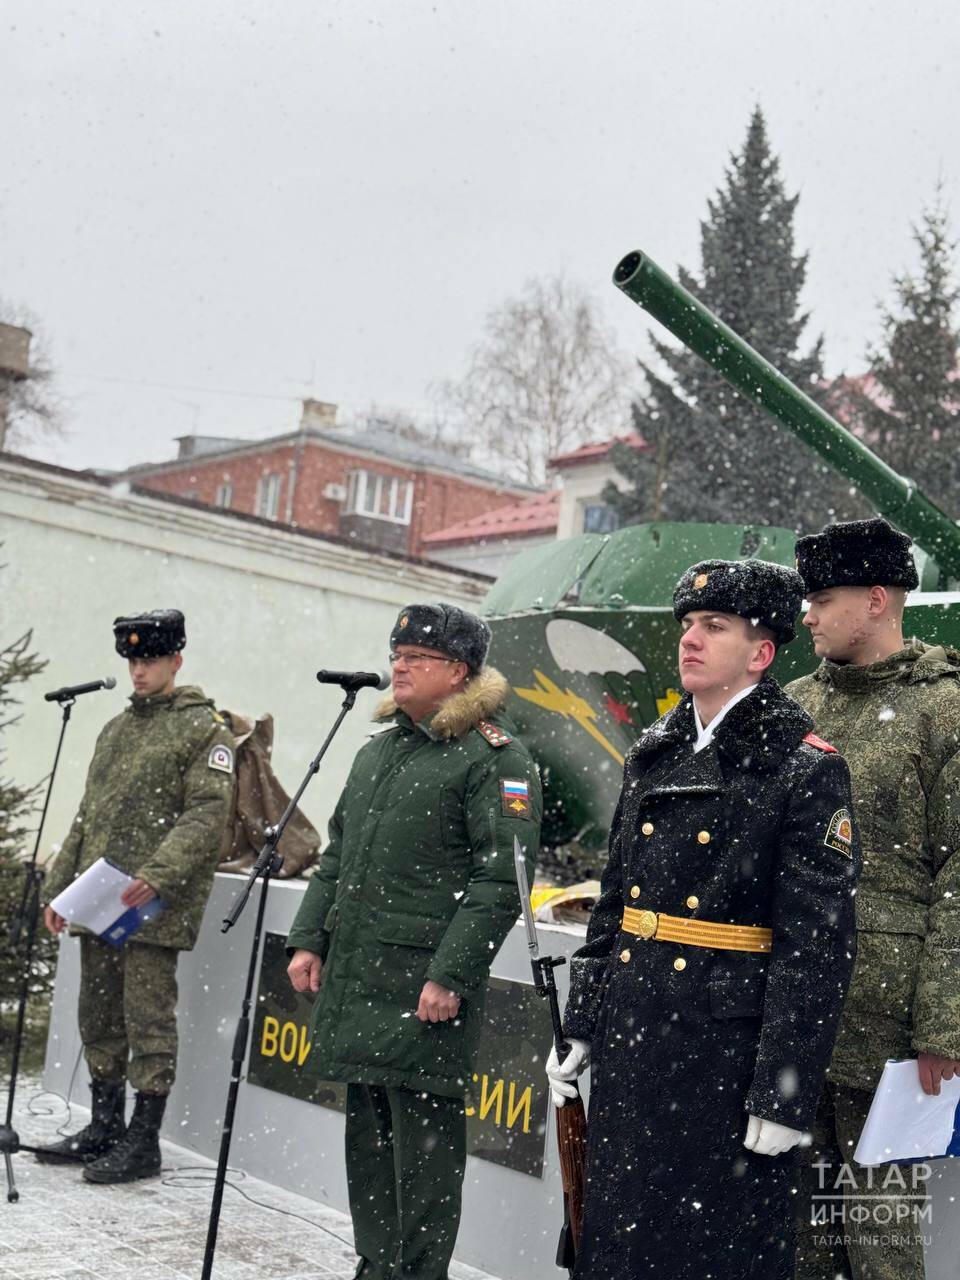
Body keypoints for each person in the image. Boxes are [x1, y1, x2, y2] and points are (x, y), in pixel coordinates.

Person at [548, 559, 860, 1280]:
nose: (690, 639)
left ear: (761, 652)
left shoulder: (802, 767)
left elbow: (817, 946)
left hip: (723, 1051)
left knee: (710, 1252)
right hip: (636, 1035)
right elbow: (614, 906)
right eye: (687, 625)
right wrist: (585, 1021)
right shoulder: (653, 753)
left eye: (714, 627)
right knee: (621, 1244)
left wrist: (784, 1089)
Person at [286, 602, 541, 1280]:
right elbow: (338, 855)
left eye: (418, 659)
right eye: (397, 655)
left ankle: (417, 1273)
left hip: (421, 988)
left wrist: (450, 975)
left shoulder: (496, 759)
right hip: (361, 978)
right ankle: (377, 1264)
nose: (399, 666)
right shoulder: (380, 753)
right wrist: (308, 937)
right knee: (369, 1143)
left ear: (459, 672)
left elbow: (500, 880)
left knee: (423, 1154)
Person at [786, 517, 960, 1280]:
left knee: (882, 1242)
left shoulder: (945, 712)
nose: (808, 615)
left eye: (823, 598)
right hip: (792, 1011)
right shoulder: (791, 707)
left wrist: (944, 1024)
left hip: (891, 1033)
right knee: (798, 1241)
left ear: (879, 599)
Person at [37, 609, 234, 1183]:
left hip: (149, 904)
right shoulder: (116, 730)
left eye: (149, 659)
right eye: (132, 660)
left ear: (176, 660)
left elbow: (208, 814)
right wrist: (62, 892)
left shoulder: (204, 729)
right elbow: (88, 817)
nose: (139, 670)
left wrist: (158, 873)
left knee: (147, 1019)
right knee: (98, 1013)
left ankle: (143, 1141)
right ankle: (104, 1126)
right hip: (101, 902)